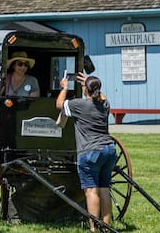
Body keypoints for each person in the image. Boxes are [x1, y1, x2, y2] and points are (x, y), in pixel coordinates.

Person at [57, 72, 116, 233]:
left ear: (85, 90)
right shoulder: (105, 104)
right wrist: (91, 82)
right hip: (109, 149)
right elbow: (101, 96)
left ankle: (94, 228)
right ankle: (106, 226)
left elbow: (59, 104)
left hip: (90, 151)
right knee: (104, 189)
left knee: (91, 191)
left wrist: (64, 88)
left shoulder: (79, 104)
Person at [0, 51, 40, 142]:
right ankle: (3, 145)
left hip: (24, 117)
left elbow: (34, 102)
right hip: (6, 117)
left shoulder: (32, 80)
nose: (23, 67)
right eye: (20, 64)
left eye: (26, 65)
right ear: (13, 65)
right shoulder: (5, 79)